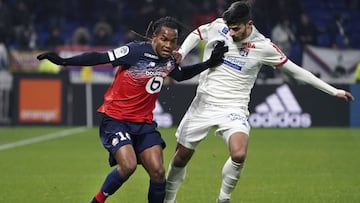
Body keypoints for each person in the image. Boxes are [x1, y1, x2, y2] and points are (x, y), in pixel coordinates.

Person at [164, 2, 355, 203]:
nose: (231, 33)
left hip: (233, 107)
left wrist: (334, 90)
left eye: (236, 29)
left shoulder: (264, 47)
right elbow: (198, 33)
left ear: (249, 24)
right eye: (229, 28)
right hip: (203, 103)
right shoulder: (220, 26)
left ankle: (223, 198)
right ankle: (169, 200)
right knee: (181, 157)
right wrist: (182, 53)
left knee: (238, 154)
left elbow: (296, 71)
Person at [36, 16, 228, 203]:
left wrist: (209, 63)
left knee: (158, 173)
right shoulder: (134, 51)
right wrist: (64, 61)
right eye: (164, 39)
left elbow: (180, 75)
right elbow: (100, 57)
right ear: (154, 37)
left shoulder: (169, 60)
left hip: (144, 124)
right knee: (127, 166)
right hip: (116, 119)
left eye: (173, 41)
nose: (168, 45)